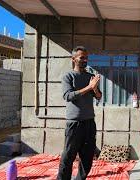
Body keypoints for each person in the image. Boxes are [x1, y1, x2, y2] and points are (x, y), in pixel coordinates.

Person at [57, 46, 102, 180]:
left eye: (86, 58)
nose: (85, 60)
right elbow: (68, 96)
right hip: (74, 123)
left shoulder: (90, 76)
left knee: (87, 157)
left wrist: (94, 89)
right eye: (82, 57)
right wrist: (89, 87)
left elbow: (99, 96)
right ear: (73, 59)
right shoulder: (68, 76)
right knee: (68, 156)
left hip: (89, 122)